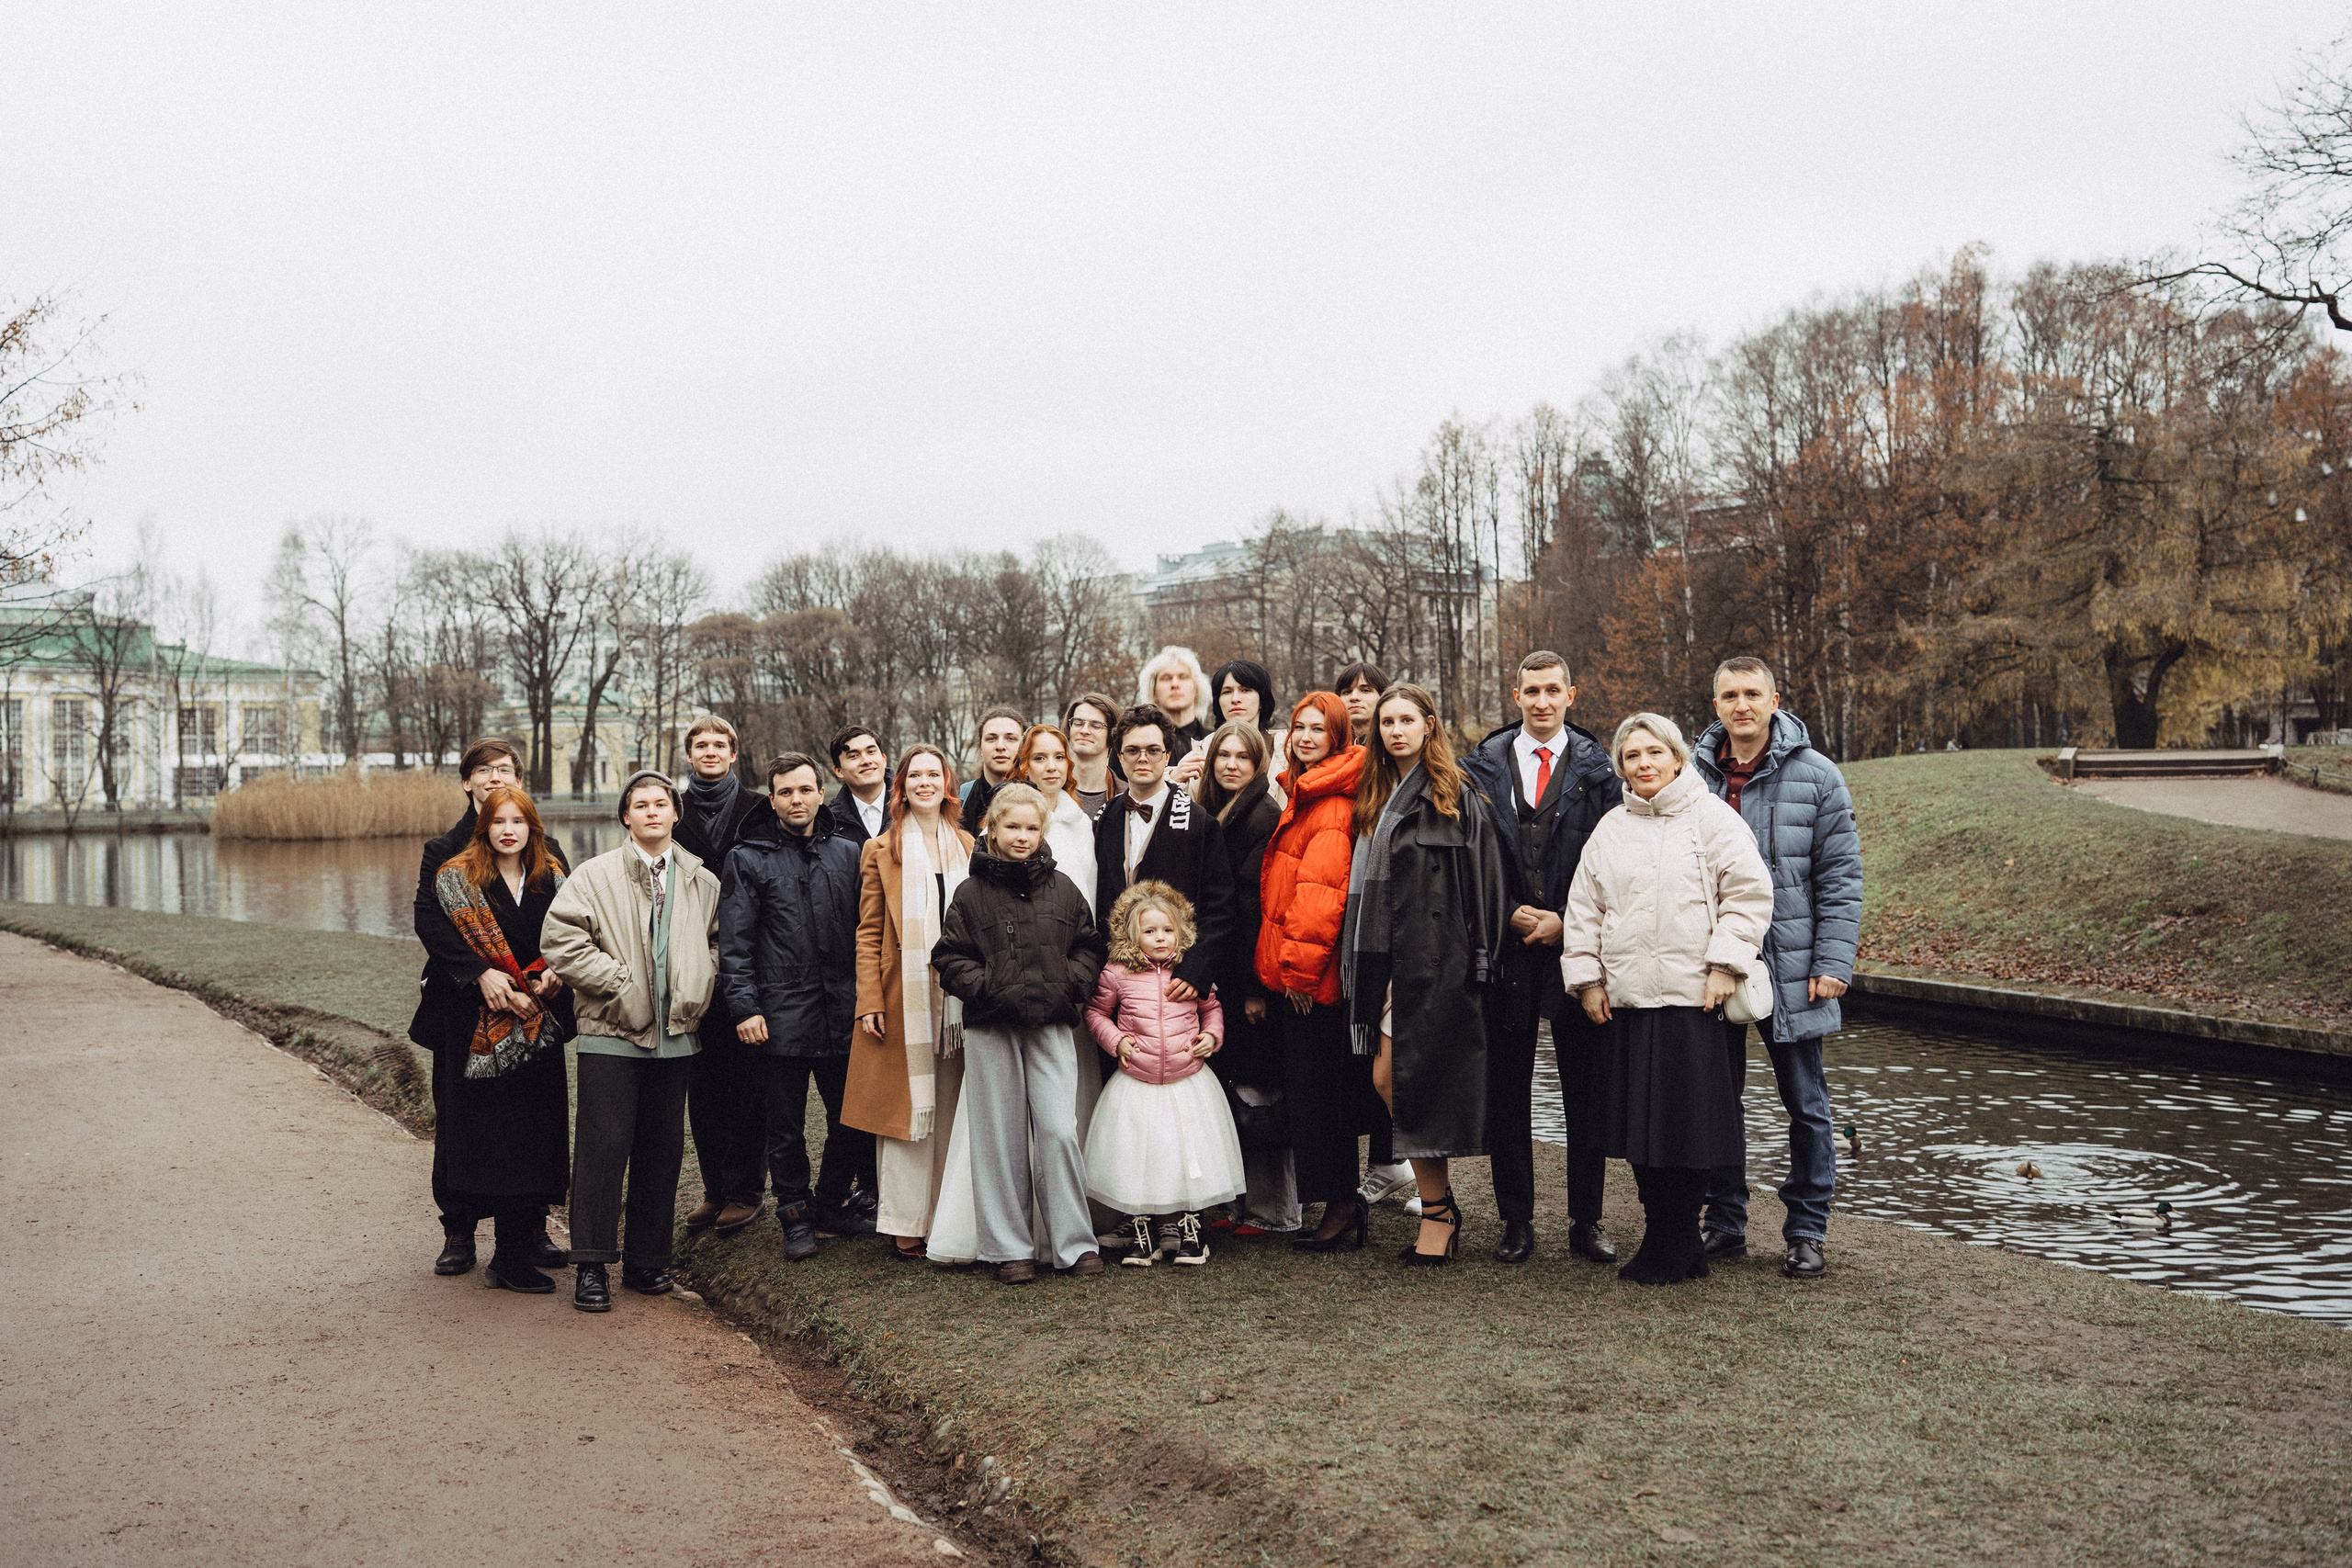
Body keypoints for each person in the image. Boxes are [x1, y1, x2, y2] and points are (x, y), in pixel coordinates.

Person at [1563, 714, 1772, 1286]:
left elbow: (1749, 894)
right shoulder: (1611, 828)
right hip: (1629, 1003)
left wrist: (1727, 964)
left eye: (1654, 752)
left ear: (1678, 758)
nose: (1644, 764)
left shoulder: (1712, 819)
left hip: (1695, 1001)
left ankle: (1677, 1239)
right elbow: (1585, 909)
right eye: (1632, 756)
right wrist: (1587, 979)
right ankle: (1667, 1237)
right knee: (1641, 1130)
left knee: (1689, 1128)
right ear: (1621, 767)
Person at [1691, 657, 1863, 1280]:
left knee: (1807, 1102)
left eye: (1752, 694)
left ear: (1774, 699)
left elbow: (1841, 877)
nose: (1742, 705)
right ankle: (1726, 1221)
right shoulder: (1692, 776)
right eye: (1730, 694)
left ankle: (1806, 1230)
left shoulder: (1817, 775)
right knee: (1717, 1098)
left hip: (1794, 964)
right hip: (1715, 961)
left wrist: (1832, 961)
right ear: (1716, 704)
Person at [1459, 652, 1623, 1267]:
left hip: (1573, 946)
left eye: (1554, 689)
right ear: (1516, 693)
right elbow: (1471, 859)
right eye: (1532, 690)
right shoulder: (1481, 767)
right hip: (1506, 948)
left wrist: (1566, 921)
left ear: (1572, 694)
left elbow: (1610, 862)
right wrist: (1505, 913)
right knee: (1508, 1088)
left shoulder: (1599, 768)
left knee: (1586, 1088)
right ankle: (1516, 1220)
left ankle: (1586, 1220)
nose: (1542, 700)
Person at [542, 771, 722, 1313]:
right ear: (625, 816)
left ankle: (648, 1260)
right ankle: (592, 1267)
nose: (650, 812)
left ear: (674, 814)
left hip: (677, 1037)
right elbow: (560, 940)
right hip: (612, 1034)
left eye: (660, 804)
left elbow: (716, 944)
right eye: (639, 804)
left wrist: (699, 982)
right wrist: (619, 984)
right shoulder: (594, 876)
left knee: (661, 1152)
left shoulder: (701, 880)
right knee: (601, 1151)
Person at [1344, 682, 1508, 1265]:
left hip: (1436, 962)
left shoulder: (1456, 792)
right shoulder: (1375, 793)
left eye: (1406, 719)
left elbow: (1486, 884)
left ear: (1429, 725)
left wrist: (1482, 961)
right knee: (1391, 1082)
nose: (1395, 730)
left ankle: (1438, 1213)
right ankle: (1441, 1207)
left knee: (1398, 1080)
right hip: (1383, 962)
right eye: (1386, 721)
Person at [930, 784, 1110, 1284]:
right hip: (993, 1024)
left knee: (1057, 1130)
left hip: (1050, 1023)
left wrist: (1069, 986)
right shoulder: (970, 893)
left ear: (1043, 831)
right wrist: (986, 988)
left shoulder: (1064, 889)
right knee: (999, 1136)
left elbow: (1089, 946)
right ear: (992, 828)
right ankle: (1010, 1248)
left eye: (1032, 828)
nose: (1022, 837)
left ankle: (1073, 1244)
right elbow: (949, 957)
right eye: (1012, 827)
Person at [410, 737, 570, 1277]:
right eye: (485, 770)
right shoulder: (445, 851)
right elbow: (430, 922)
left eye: (506, 769)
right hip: (465, 1008)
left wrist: (551, 975)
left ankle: (530, 1225)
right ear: (467, 782)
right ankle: (459, 1229)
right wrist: (478, 974)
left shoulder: (547, 853)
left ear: (520, 783)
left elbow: (568, 925)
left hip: (533, 1007)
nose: (496, 777)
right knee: (462, 1117)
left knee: (535, 1118)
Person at [719, 752, 873, 1262]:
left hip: (843, 1008)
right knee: (784, 1125)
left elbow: (868, 935)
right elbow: (735, 943)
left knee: (849, 1118)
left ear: (821, 791)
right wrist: (744, 1008)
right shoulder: (748, 857)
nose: (797, 800)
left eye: (805, 790)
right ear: (772, 798)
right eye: (786, 792)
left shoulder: (849, 852)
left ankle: (829, 1203)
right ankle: (793, 1212)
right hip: (779, 1011)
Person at [1253, 692, 1374, 1251]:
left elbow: (1322, 897)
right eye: (1298, 727)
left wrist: (1299, 976)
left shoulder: (1330, 803)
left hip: (1311, 981)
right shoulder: (1305, 792)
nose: (1304, 737)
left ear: (1337, 738)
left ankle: (1342, 1207)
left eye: (1317, 730)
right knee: (1316, 1094)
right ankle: (1340, 1204)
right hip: (1297, 975)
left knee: (1320, 1096)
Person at [842, 746, 972, 1261]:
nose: (924, 783)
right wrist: (869, 999)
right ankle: (904, 1221)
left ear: (947, 784)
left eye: (932, 774)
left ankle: (948, 1215)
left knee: (954, 1106)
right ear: (901, 786)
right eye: (914, 774)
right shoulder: (881, 849)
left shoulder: (968, 845)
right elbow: (868, 931)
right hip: (905, 997)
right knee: (908, 1110)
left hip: (961, 999)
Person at [1084, 882, 1246, 1267]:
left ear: (1181, 931)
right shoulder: (1117, 972)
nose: (1160, 938)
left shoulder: (1190, 970)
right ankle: (1142, 1227)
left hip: (1187, 1077)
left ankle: (1191, 1227)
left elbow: (1212, 1008)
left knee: (1185, 1149)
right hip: (1136, 1080)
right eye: (1150, 930)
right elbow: (1095, 1014)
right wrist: (1117, 1041)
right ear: (1132, 934)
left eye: (1167, 930)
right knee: (1138, 1152)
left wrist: (1211, 1035)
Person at [673, 715, 782, 1240]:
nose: (711, 751)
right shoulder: (673, 809)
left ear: (734, 754)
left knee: (749, 1081)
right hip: (691, 961)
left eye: (720, 744)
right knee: (703, 1081)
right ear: (689, 754)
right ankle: (714, 1188)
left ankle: (745, 1190)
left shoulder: (758, 809)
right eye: (701, 744)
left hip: (750, 958)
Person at [1194, 719, 1293, 1237]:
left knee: (1262, 1094)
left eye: (1242, 757)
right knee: (1236, 1088)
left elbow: (1258, 903)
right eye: (1223, 756)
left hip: (1250, 973)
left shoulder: (1262, 815)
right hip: (1224, 971)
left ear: (1258, 765)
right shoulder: (1215, 812)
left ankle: (1274, 1210)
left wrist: (1256, 986)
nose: (1231, 764)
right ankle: (1239, 1206)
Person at [1329, 660, 1413, 1213]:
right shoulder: (1334, 758)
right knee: (1358, 1062)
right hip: (1345, 923)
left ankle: (1405, 1163)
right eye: (1349, 691)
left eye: (1368, 691)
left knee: (1392, 1057)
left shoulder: (1393, 767)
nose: (1358, 699)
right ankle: (1384, 1163)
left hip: (1388, 923)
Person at [1091, 705, 1235, 1000]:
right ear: (1119, 757)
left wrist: (1196, 970)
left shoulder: (1199, 823)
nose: (1142, 758)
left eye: (1153, 750)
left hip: (1176, 978)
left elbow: (1220, 908)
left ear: (1168, 756)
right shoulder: (1104, 819)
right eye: (1132, 750)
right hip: (1116, 978)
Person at [1137, 645, 1213, 787]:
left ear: (1196, 688)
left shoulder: (1214, 742)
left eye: (1183, 677)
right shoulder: (1135, 744)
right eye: (1166, 678)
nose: (1175, 684)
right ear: (1153, 691)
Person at [825, 725, 892, 849]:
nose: (866, 761)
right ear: (838, 771)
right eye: (854, 756)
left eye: (871, 752)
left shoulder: (912, 804)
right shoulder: (830, 825)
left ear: (884, 759)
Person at [961, 706, 1027, 830]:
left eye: (1010, 739)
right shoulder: (961, 798)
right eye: (991, 739)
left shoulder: (1040, 797)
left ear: (1024, 747)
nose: (1000, 746)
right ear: (980, 748)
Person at [1060, 693, 1121, 822]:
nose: (1084, 730)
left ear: (1112, 735)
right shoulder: (1050, 788)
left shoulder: (1127, 797)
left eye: (1095, 725)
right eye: (1078, 723)